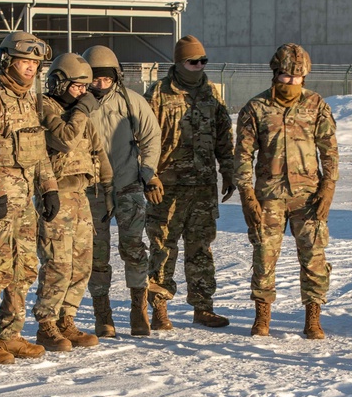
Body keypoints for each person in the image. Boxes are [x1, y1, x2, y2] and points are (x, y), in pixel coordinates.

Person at [234, 43, 338, 339]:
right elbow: (242, 155)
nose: (291, 82)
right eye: (285, 76)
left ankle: (313, 317)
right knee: (264, 256)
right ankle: (262, 315)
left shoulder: (316, 105)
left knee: (314, 257)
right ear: (275, 74)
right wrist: (246, 196)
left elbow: (329, 150)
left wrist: (328, 188)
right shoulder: (256, 108)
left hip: (308, 195)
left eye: (297, 77)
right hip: (269, 195)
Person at [0, 31, 59, 363]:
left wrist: (49, 188)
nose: (31, 68)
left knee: (25, 267)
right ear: (7, 61)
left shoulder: (29, 100)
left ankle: (10, 333)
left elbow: (39, 152)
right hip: (0, 200)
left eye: (35, 63)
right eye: (25, 61)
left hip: (25, 202)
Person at [143, 35, 235, 330]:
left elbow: (224, 136)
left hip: (203, 186)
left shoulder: (211, 94)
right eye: (192, 61)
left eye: (203, 61)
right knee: (162, 247)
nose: (198, 66)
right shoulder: (157, 94)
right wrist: (149, 175)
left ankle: (203, 307)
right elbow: (142, 139)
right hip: (166, 188)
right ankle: (159, 307)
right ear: (179, 62)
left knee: (201, 249)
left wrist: (228, 170)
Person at [33, 53, 114, 351]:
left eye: (85, 87)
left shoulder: (82, 115)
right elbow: (64, 139)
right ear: (59, 82)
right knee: (58, 263)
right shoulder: (44, 107)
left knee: (82, 264)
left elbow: (98, 150)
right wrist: (82, 108)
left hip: (81, 196)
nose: (83, 92)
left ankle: (68, 317)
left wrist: (108, 188)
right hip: (56, 194)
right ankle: (47, 323)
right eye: (78, 86)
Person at [81, 44, 161, 337]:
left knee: (134, 249)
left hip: (127, 186)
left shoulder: (132, 102)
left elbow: (151, 137)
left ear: (116, 77)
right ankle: (103, 314)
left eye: (106, 79)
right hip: (92, 191)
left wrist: (148, 173)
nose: (100, 85)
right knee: (96, 254)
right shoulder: (78, 104)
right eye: (94, 79)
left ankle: (139, 308)